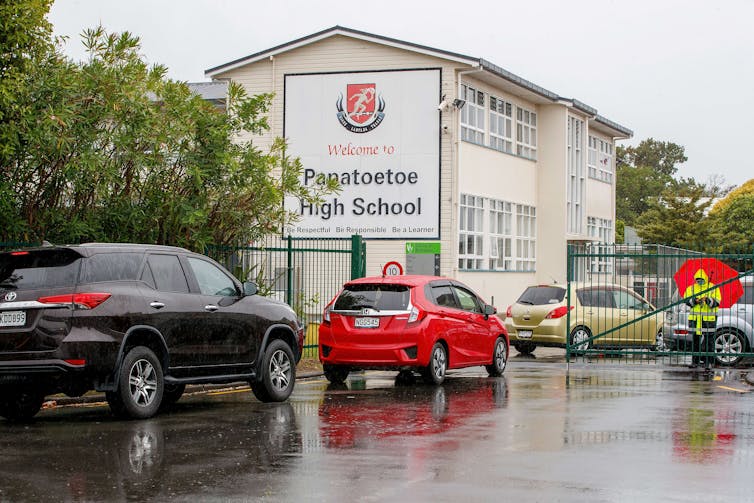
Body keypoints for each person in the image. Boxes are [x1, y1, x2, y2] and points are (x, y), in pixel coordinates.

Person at [683, 270, 721, 370]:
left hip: (709, 320)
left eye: (701, 280)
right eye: (698, 280)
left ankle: (709, 363)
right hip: (695, 320)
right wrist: (695, 300)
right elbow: (686, 300)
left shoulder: (713, 288)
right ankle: (694, 362)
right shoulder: (691, 288)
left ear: (705, 278)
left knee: (709, 342)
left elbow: (717, 302)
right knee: (695, 341)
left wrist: (708, 300)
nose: (699, 281)